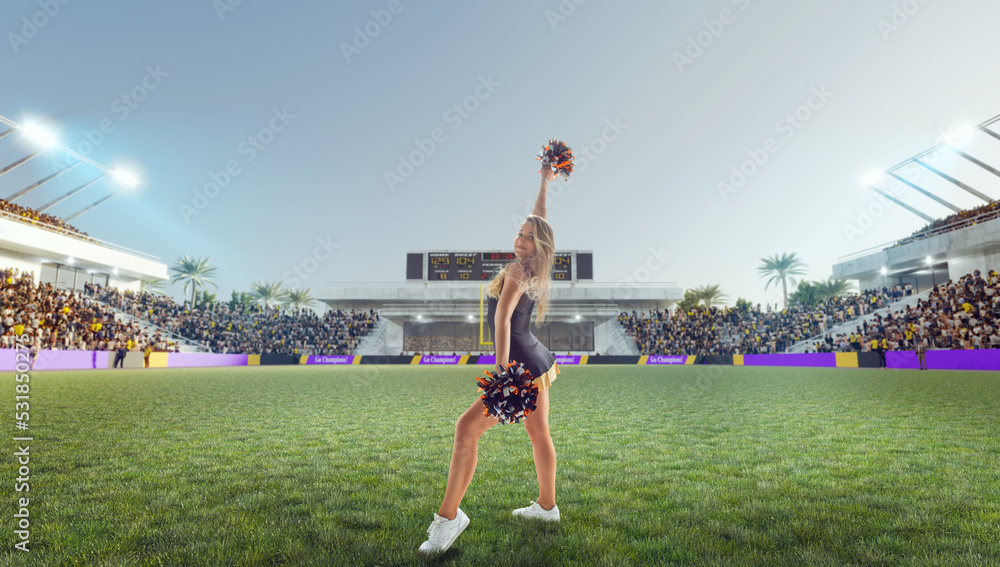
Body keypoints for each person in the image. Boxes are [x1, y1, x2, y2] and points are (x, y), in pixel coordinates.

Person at [420, 164, 562, 554]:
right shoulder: (536, 264)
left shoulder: (518, 270)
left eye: (527, 238)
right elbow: (540, 221)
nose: (520, 239)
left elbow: (501, 318)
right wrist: (543, 183)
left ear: (539, 246)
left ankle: (448, 521)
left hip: (518, 368)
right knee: (539, 435)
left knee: (466, 429)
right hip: (536, 362)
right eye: (519, 233)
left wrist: (501, 368)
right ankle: (547, 508)